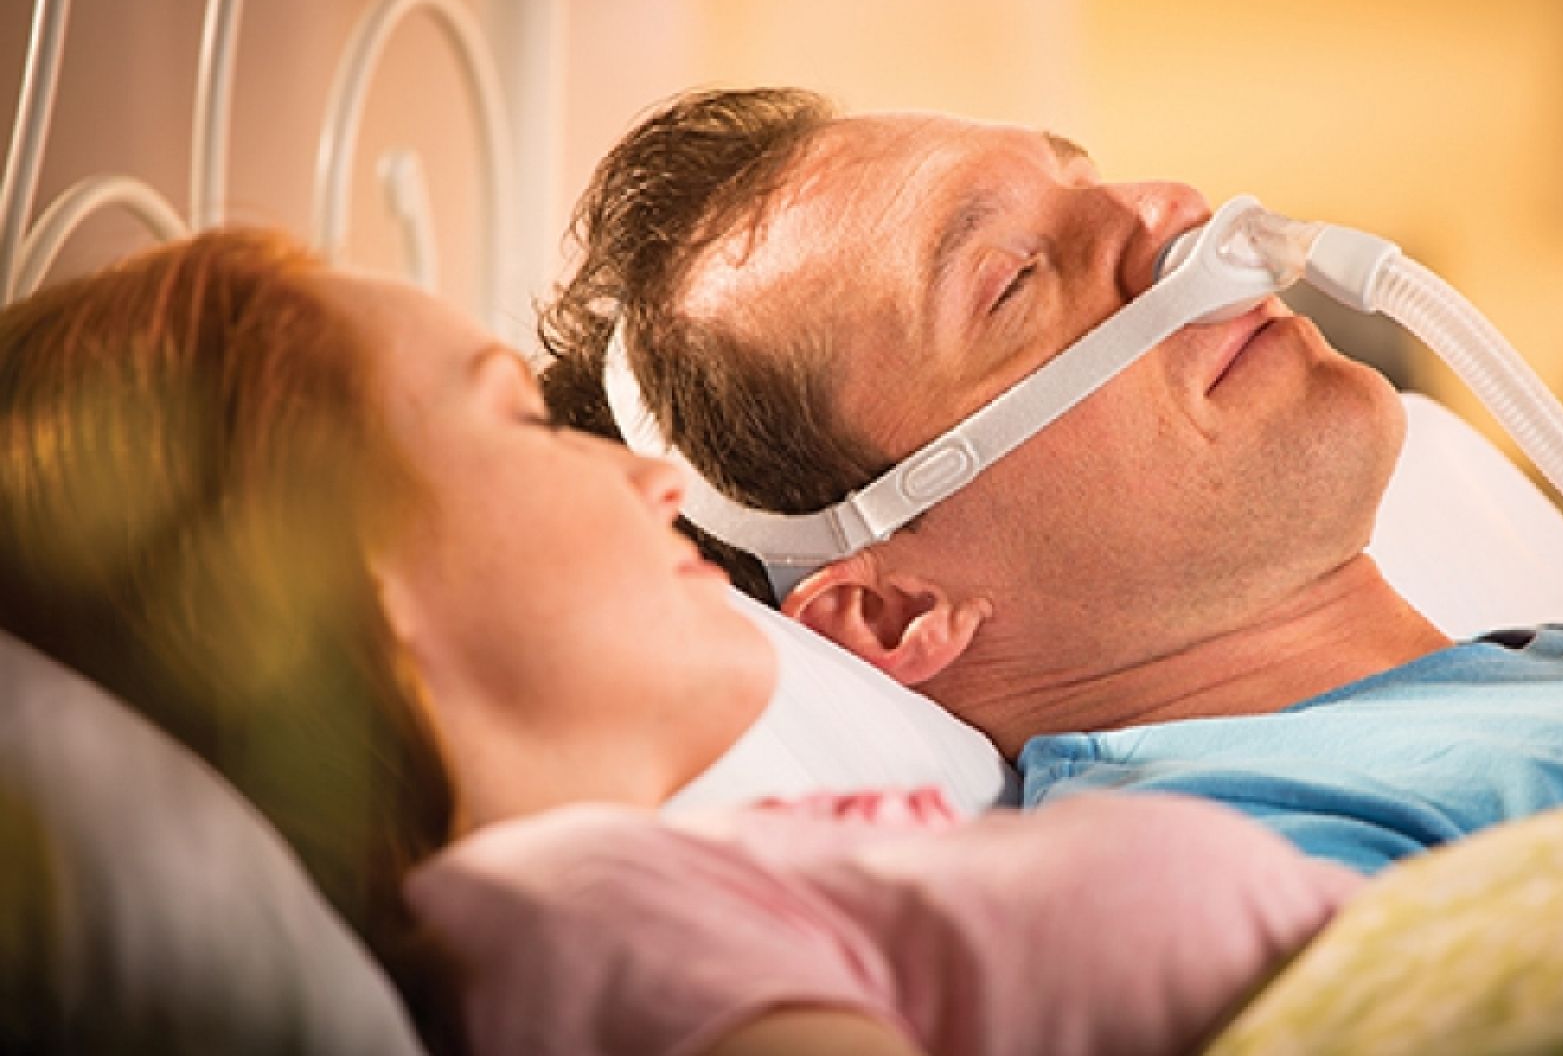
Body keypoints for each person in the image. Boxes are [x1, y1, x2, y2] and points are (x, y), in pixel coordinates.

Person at [0, 229, 1361, 1055]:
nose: (653, 485)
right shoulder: (569, 915)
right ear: (315, 572)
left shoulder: (713, 866)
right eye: (521, 424)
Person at [540, 86, 1563, 876]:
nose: (1167, 216)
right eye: (1013, 277)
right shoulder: (1241, 867)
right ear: (899, 611)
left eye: (1084, 179)